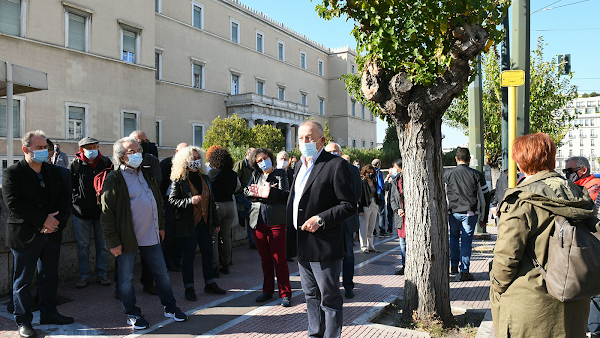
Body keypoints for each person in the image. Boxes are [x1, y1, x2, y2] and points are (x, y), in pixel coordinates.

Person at [490, 133, 592, 338]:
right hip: (574, 298)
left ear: (520, 165)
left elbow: (507, 256)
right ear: (553, 160)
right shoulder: (579, 194)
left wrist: (497, 287)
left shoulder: (521, 200)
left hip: (531, 304)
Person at [101, 137, 187, 329]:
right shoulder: (114, 179)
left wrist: (161, 226)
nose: (137, 154)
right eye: (132, 152)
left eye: (138, 150)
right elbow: (107, 214)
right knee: (125, 279)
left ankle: (170, 307)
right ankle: (132, 313)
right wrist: (113, 241)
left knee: (162, 274)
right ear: (122, 157)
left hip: (151, 234)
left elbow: (157, 202)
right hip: (127, 238)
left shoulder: (146, 174)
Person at [286, 120, 356, 338]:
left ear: (321, 140)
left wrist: (321, 219)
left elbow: (349, 205)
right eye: (300, 138)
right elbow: (298, 199)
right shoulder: (299, 165)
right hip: (303, 244)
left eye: (309, 137)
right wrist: (272, 194)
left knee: (330, 298)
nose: (304, 142)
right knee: (310, 295)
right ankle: (314, 334)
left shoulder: (335, 165)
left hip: (325, 245)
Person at [3, 130, 73, 338]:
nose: (44, 151)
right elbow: (14, 204)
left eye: (46, 148)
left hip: (51, 234)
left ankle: (49, 312)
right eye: (39, 148)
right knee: (22, 281)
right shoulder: (13, 173)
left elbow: (64, 199)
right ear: (26, 149)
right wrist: (43, 220)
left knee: (49, 276)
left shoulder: (53, 172)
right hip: (25, 234)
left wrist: (54, 223)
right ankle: (23, 321)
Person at [169, 146, 227, 301]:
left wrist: (215, 221)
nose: (196, 161)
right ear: (185, 161)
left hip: (205, 223)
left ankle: (210, 283)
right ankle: (189, 287)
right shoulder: (179, 180)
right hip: (189, 224)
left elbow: (211, 201)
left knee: (208, 254)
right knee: (188, 257)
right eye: (192, 158)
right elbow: (172, 200)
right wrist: (190, 201)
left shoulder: (205, 177)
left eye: (197, 158)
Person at [244, 148, 292, 307]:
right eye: (259, 160)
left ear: (270, 158)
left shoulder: (280, 174)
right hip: (257, 222)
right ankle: (267, 290)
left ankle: (285, 293)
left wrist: (268, 193)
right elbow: (246, 190)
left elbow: (286, 195)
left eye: (265, 158)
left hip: (276, 221)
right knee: (265, 260)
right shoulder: (256, 175)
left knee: (279, 259)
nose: (263, 162)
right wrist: (258, 193)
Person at [563, 156, 600, 337]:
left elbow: (586, 212)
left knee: (596, 294)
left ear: (582, 170)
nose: (566, 175)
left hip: (593, 246)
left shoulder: (593, 186)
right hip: (586, 246)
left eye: (569, 171)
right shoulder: (580, 186)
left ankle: (593, 331)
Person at [68, 137, 112, 289]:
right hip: (80, 212)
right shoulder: (75, 164)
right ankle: (83, 276)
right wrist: (76, 200)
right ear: (81, 150)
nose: (93, 150)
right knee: (83, 246)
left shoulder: (106, 163)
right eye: (89, 147)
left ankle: (102, 274)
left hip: (102, 212)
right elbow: (70, 186)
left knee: (103, 245)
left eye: (94, 147)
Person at [443, 147, 489, 281]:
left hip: (453, 212)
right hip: (470, 213)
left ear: (456, 159)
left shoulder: (448, 174)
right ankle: (464, 271)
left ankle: (453, 266)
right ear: (469, 159)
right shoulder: (477, 175)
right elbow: (484, 197)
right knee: (466, 242)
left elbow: (443, 195)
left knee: (453, 238)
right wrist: (484, 217)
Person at [324, 142, 361, 299]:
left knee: (348, 255)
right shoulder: (321, 169)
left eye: (336, 151)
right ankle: (331, 287)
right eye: (330, 151)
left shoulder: (352, 170)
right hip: (327, 219)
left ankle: (348, 286)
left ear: (340, 152)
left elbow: (357, 193)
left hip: (346, 219)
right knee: (329, 256)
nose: (333, 153)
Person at [128, 130, 160, 294]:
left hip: (148, 214)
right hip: (128, 215)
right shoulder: (122, 161)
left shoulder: (151, 160)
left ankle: (148, 283)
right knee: (126, 255)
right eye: (141, 141)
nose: (145, 144)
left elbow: (157, 184)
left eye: (146, 141)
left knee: (149, 253)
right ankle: (122, 287)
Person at [207, 147, 240, 277]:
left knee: (214, 237)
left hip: (217, 206)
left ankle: (215, 266)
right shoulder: (233, 174)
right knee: (226, 236)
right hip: (230, 206)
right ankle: (225, 264)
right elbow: (237, 188)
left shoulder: (211, 174)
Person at [159, 143, 188, 272]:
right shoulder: (165, 164)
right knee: (167, 233)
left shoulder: (189, 167)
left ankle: (177, 261)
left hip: (183, 203)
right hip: (167, 203)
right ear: (176, 151)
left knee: (180, 234)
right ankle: (168, 262)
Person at [234, 147, 257, 250]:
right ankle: (252, 241)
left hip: (251, 194)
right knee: (253, 209)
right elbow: (235, 179)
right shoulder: (240, 164)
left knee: (249, 213)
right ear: (247, 154)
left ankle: (242, 214)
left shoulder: (255, 166)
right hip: (240, 193)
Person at [388, 159, 406, 275]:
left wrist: (406, 210)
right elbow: (392, 199)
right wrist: (397, 209)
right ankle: (405, 265)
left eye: (395, 167)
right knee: (402, 242)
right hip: (400, 217)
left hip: (408, 216)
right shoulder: (395, 181)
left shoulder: (408, 179)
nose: (394, 169)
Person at [358, 164, 381, 253]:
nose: (370, 174)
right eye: (368, 172)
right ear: (365, 173)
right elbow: (360, 196)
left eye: (372, 172)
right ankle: (363, 246)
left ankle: (370, 245)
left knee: (372, 226)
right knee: (364, 226)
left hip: (374, 205)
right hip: (365, 206)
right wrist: (360, 209)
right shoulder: (362, 182)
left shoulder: (374, 182)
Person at [371, 159, 388, 237]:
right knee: (381, 213)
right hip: (379, 194)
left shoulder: (369, 172)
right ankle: (382, 231)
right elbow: (381, 184)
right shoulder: (378, 173)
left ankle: (373, 230)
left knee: (372, 213)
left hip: (371, 195)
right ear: (378, 164)